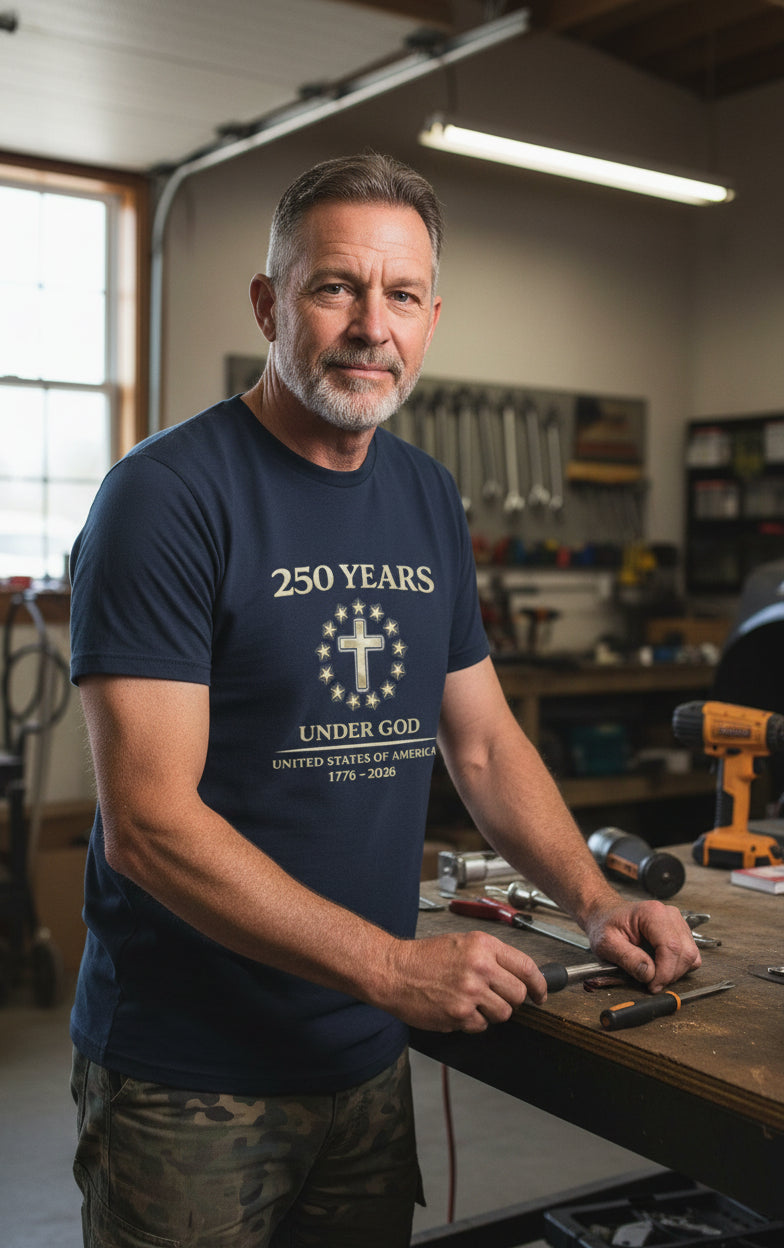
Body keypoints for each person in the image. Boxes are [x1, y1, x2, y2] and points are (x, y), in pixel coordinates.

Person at [68, 151, 700, 1247]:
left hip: (363, 1052)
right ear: (269, 302)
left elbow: (487, 745)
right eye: (333, 287)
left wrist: (594, 901)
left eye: (400, 294)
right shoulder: (165, 499)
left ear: (431, 317)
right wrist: (396, 966)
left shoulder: (423, 495)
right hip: (192, 1081)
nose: (372, 325)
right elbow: (151, 827)